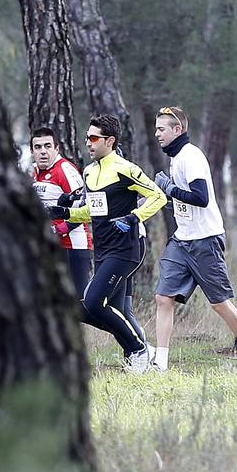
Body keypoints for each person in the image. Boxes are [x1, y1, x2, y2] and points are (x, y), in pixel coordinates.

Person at [148, 106, 237, 372]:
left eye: (161, 129)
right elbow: (186, 203)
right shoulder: (176, 157)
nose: (157, 134)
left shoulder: (190, 156)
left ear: (177, 130)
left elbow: (201, 197)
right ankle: (160, 363)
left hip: (205, 241)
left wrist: (170, 188)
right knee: (163, 297)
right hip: (182, 241)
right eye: (156, 128)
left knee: (219, 304)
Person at [48, 114, 163, 371]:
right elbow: (93, 212)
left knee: (91, 303)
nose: (88, 143)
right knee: (104, 309)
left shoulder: (125, 169)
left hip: (126, 249)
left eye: (93, 138)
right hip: (102, 250)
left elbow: (158, 196)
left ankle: (139, 349)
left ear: (109, 141)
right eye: (87, 137)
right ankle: (141, 351)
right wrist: (65, 214)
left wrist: (134, 217)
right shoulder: (89, 171)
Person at [29, 126, 142, 342]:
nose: (42, 151)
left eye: (47, 146)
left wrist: (60, 229)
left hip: (73, 246)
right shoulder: (35, 172)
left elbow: (88, 209)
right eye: (37, 147)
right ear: (32, 151)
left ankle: (134, 341)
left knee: (83, 306)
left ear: (56, 148)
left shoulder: (67, 171)